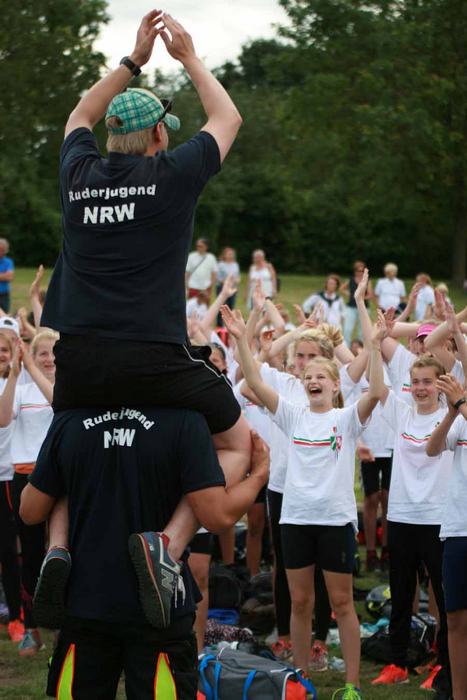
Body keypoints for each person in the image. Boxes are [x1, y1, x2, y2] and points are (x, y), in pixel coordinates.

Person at [38, 10, 251, 628]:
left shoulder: (78, 172)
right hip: (151, 356)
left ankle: (58, 549)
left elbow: (80, 114)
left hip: (78, 356)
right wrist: (187, 57)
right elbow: (228, 119)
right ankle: (169, 546)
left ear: (112, 136)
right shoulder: (172, 176)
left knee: (69, 452)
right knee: (237, 440)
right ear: (159, 135)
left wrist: (133, 60)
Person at [19, 406, 269, 699]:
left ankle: (57, 548)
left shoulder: (69, 420)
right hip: (160, 602)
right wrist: (258, 475)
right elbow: (217, 517)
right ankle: (165, 548)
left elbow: (30, 512)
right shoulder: (185, 420)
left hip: (85, 596)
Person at [221, 301, 387, 700]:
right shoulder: (292, 414)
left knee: (342, 604)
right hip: (295, 519)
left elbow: (378, 392)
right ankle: (299, 678)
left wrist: (374, 345)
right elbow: (254, 381)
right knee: (299, 602)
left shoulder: (345, 419)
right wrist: (242, 340)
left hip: (334, 522)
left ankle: (352, 684)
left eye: (321, 377)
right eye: (308, 376)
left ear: (335, 386)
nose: (313, 380)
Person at [371, 355, 452, 695]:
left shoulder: (450, 417)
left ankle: (444, 666)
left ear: (440, 384)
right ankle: (397, 663)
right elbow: (377, 387)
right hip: (402, 516)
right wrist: (373, 346)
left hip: (437, 518)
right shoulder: (402, 413)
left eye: (427, 382)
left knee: (444, 598)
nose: (420, 388)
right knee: (402, 593)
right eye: (415, 382)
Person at [0, 331, 57, 655]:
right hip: (25, 476)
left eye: (53, 353)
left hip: (61, 478)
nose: (49, 359)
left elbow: (58, 402)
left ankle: (66, 626)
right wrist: (13, 374)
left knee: (62, 551)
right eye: (42, 354)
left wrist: (33, 370)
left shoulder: (69, 387)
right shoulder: (21, 389)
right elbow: (2, 419)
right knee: (32, 553)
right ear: (31, 357)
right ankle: (32, 629)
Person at [426, 374, 467, 700]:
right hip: (457, 527)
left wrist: (460, 404)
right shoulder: (461, 415)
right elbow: (432, 448)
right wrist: (452, 413)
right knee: (454, 618)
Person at [0, 333, 23, 644]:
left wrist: (16, 372)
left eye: (5, 349)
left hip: (7, 475)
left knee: (8, 549)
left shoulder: (19, 383)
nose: (1, 354)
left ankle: (17, 616)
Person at [341, 261, 373, 346]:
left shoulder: (367, 280)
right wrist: (350, 295)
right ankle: (346, 347)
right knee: (347, 329)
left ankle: (361, 348)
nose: (360, 272)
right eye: (358, 271)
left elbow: (370, 295)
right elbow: (342, 289)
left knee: (362, 331)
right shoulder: (351, 279)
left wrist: (360, 298)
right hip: (351, 307)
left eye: (362, 271)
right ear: (355, 271)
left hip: (363, 308)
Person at [215, 246, 240, 325]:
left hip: (232, 288)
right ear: (224, 255)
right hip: (222, 288)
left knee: (230, 307)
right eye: (229, 254)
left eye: (232, 254)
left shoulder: (235, 265)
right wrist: (227, 283)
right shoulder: (220, 264)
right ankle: (220, 325)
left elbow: (238, 277)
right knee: (222, 307)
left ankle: (229, 325)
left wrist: (236, 281)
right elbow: (218, 277)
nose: (230, 255)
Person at [0, 239, 14, 313]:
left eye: (2, 250)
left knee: (4, 316)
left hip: (4, 294)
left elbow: (10, 277)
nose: (0, 252)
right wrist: (4, 275)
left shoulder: (8, 262)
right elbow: (7, 276)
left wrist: (7, 276)